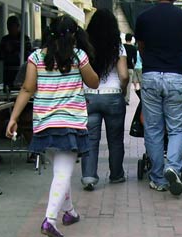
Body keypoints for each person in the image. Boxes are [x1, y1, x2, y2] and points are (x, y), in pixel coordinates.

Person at [5, 15, 99, 237]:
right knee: (63, 173)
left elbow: (27, 89)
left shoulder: (36, 57)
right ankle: (50, 219)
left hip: (44, 124)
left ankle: (70, 213)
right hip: (69, 123)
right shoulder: (79, 57)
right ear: (74, 35)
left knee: (60, 172)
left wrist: (13, 118)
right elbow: (94, 82)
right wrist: (83, 60)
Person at [135, 0, 182, 195]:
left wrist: (151, 65)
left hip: (151, 75)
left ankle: (158, 178)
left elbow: (141, 47)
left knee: (153, 129)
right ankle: (173, 167)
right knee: (177, 128)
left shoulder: (143, 17)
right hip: (176, 76)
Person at [80, 9, 129, 191]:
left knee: (90, 138)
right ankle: (116, 175)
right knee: (115, 139)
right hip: (113, 95)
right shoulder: (118, 46)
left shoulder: (85, 47)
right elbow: (123, 75)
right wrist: (122, 92)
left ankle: (89, 176)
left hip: (89, 96)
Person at [0, 15, 32, 90]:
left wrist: (14, 49)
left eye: (11, 26)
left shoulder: (24, 39)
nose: (9, 29)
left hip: (20, 71)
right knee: (8, 92)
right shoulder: (5, 39)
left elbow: (29, 55)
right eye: (8, 26)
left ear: (18, 26)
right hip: (8, 73)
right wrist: (6, 51)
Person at [123, 33, 137, 105]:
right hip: (130, 68)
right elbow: (135, 60)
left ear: (125, 38)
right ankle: (126, 99)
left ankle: (121, 98)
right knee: (128, 85)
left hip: (123, 67)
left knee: (121, 84)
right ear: (131, 39)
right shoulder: (133, 48)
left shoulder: (122, 47)